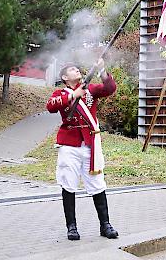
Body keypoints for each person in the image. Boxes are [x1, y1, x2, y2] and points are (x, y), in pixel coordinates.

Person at [46, 58, 118, 241]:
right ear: (64, 76)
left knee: (97, 183)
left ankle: (105, 225)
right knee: (68, 184)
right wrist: (72, 95)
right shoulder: (60, 92)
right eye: (72, 69)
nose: (76, 70)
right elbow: (51, 106)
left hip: (89, 144)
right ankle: (71, 227)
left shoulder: (90, 89)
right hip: (69, 144)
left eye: (77, 69)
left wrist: (102, 70)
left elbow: (109, 89)